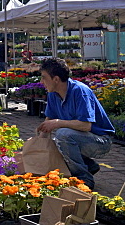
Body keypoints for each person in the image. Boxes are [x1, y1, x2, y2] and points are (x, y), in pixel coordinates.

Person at [36, 57, 114, 190]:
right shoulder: (53, 94)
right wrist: (37, 146)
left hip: (100, 141)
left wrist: (58, 123)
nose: (41, 81)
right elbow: (47, 124)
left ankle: (83, 179)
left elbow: (86, 126)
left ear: (56, 79)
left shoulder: (80, 91)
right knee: (53, 141)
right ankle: (88, 164)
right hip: (81, 138)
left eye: (44, 77)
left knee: (62, 135)